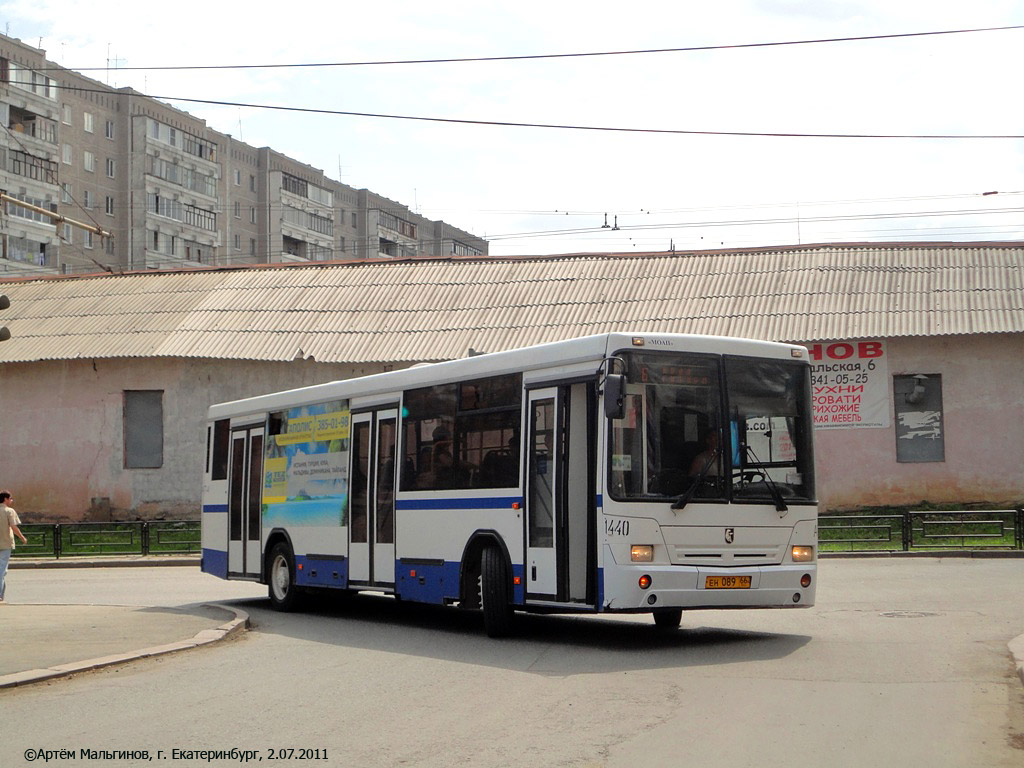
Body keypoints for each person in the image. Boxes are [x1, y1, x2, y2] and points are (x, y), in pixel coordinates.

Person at [0, 490, 28, 603]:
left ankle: (1, 595)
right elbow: (13, 526)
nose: (11, 500)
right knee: (1, 570)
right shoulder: (9, 511)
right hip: (6, 543)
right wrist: (22, 537)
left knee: (2, 570)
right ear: (5, 499)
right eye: (10, 498)